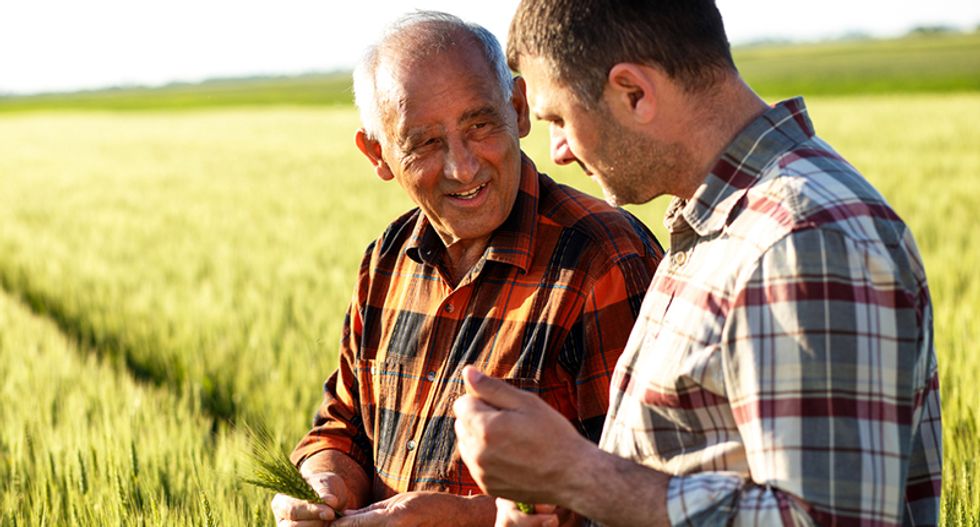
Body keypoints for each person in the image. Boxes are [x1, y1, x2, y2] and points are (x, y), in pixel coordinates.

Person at [453, 1, 943, 526]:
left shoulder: (803, 240)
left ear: (633, 93)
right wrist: (565, 501)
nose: (558, 152)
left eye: (559, 119)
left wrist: (577, 473)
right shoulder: (721, 223)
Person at [271, 11, 664, 527]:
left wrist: (455, 518)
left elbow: (647, 494)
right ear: (378, 154)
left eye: (480, 125)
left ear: (519, 110)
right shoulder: (386, 260)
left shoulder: (604, 260)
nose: (463, 167)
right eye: (425, 143)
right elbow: (341, 428)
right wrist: (325, 485)